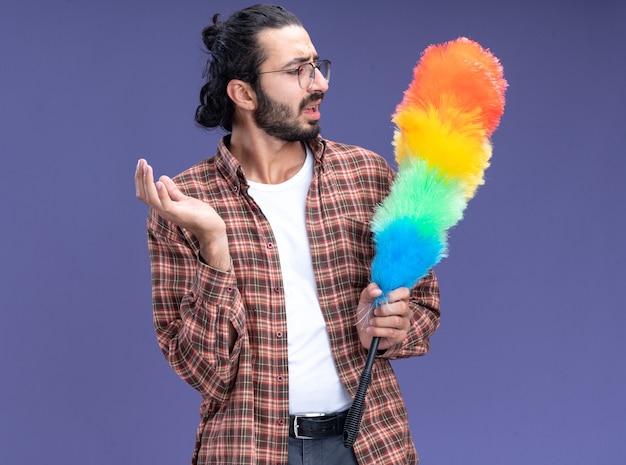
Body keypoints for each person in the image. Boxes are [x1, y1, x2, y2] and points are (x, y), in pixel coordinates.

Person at [134, 4, 440, 464]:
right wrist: (214, 246)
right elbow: (205, 372)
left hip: (370, 442)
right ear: (244, 92)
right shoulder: (185, 204)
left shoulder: (367, 175)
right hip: (249, 449)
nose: (320, 83)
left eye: (318, 66)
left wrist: (392, 325)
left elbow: (424, 308)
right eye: (298, 70)